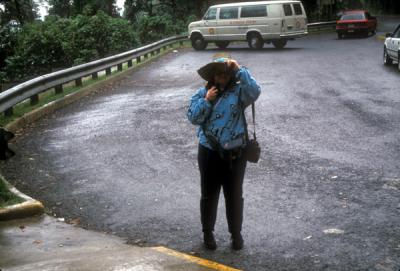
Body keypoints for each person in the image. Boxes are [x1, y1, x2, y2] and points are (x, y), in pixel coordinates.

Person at [187, 54, 261, 250]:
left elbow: (255, 91)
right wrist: (207, 101)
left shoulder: (239, 93)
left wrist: (239, 69)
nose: (222, 78)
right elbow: (193, 117)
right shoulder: (201, 93)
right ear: (212, 75)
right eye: (218, 74)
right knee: (209, 195)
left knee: (235, 195)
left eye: (226, 74)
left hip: (236, 154)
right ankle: (207, 234)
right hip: (209, 152)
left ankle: (236, 235)